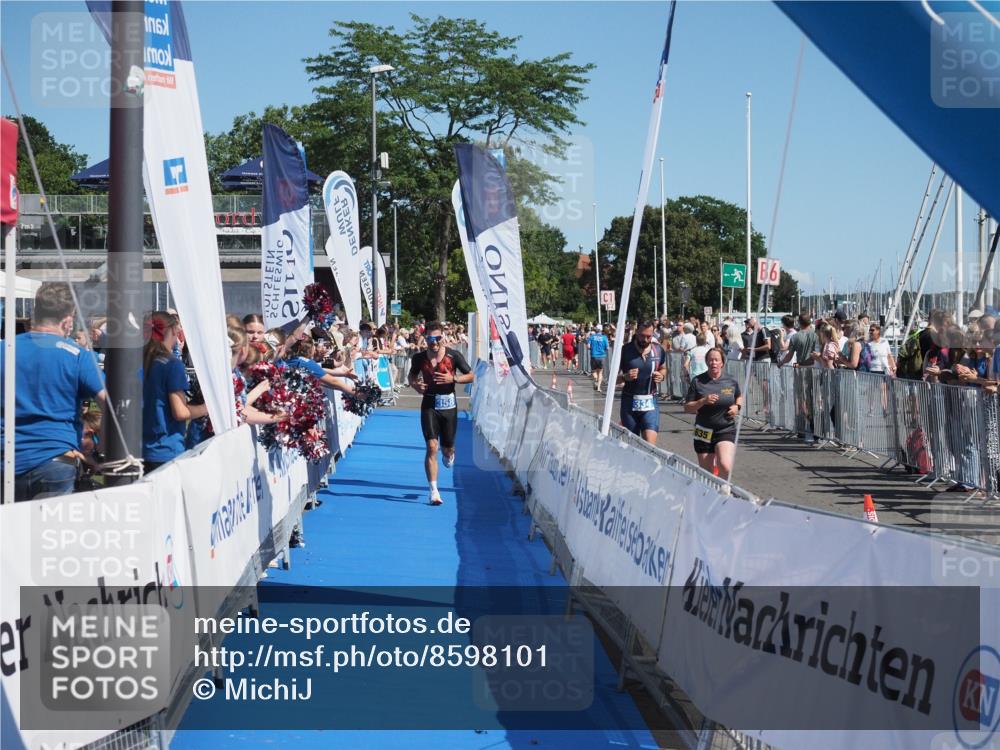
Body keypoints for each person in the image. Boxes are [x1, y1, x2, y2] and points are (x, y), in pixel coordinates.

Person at [1, 283, 107, 500]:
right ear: (67, 320)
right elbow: (113, 405)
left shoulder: (4, 349)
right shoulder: (77, 355)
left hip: (7, 459)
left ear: (35, 312)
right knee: (50, 533)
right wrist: (99, 450)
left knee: (9, 533)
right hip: (56, 460)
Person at [407, 322, 475, 505]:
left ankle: (449, 454)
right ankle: (434, 491)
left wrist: (453, 378)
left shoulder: (454, 356)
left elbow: (471, 375)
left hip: (449, 405)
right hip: (429, 403)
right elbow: (411, 376)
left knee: (447, 449)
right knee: (431, 447)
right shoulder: (419, 358)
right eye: (430, 338)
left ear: (442, 337)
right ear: (425, 338)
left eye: (437, 338)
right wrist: (415, 385)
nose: (434, 342)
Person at [142, 312, 208, 473]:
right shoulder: (171, 364)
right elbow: (180, 412)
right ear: (172, 330)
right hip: (165, 449)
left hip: (136, 447)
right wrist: (208, 408)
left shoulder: (137, 360)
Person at [684, 347, 743, 480]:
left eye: (716, 360)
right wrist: (703, 401)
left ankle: (723, 492)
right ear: (706, 362)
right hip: (703, 430)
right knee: (707, 474)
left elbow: (739, 396)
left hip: (725, 428)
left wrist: (737, 406)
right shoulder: (698, 381)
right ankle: (710, 495)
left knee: (725, 466)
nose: (713, 363)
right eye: (710, 360)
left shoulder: (731, 381)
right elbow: (687, 408)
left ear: (722, 362)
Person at [616, 321, 666, 443]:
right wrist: (624, 377)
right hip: (629, 402)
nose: (645, 339)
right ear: (637, 332)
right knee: (633, 444)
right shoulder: (625, 350)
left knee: (650, 445)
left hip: (650, 401)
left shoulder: (658, 350)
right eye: (642, 335)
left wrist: (661, 375)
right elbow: (613, 378)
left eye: (648, 336)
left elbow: (663, 368)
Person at [588, 325, 609, 392]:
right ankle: (599, 387)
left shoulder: (591, 337)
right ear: (601, 330)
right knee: (600, 372)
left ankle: (595, 380)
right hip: (602, 356)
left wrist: (593, 348)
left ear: (595, 330)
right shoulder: (604, 337)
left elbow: (588, 346)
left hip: (594, 356)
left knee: (594, 371)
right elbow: (607, 348)